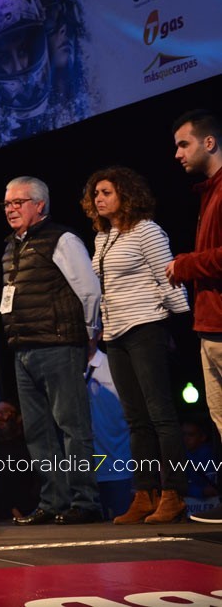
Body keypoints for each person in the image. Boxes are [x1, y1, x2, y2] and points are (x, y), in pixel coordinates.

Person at [80, 165, 191, 524]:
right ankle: (144, 494)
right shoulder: (103, 237)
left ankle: (174, 493)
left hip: (147, 327)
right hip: (116, 335)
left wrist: (183, 320)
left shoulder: (147, 231)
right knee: (136, 420)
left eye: (106, 192)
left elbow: (168, 277)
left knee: (161, 415)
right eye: (95, 194)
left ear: (126, 196)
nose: (99, 199)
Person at [0, 176, 103, 525]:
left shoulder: (63, 239)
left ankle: (84, 501)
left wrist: (89, 336)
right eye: (7, 204)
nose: (11, 209)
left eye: (19, 202)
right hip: (23, 348)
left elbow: (89, 290)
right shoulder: (11, 246)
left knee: (72, 426)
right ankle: (53, 501)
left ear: (39, 205)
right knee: (37, 431)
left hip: (60, 344)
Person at [167, 108, 222, 524]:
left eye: (183, 144)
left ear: (209, 142)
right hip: (209, 325)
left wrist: (185, 264)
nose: (177, 154)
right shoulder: (208, 193)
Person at [85, 348, 134, 521]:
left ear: (98, 332)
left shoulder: (112, 365)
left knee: (122, 531)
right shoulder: (69, 368)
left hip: (117, 465)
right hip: (84, 471)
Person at [0, 398, 39, 520]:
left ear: (18, 417)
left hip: (29, 511)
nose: (0, 417)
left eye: (5, 412)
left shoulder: (29, 448)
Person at [182, 416, 220, 517]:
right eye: (183, 434)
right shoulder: (180, 457)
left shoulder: (214, 455)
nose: (186, 439)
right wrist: (201, 491)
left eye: (191, 435)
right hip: (193, 504)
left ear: (203, 437)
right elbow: (180, 485)